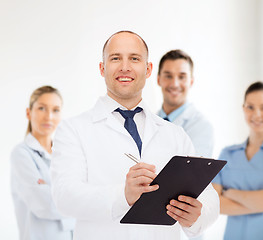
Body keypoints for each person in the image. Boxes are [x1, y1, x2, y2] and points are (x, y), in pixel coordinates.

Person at [50, 31, 219, 240]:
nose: (125, 67)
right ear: (102, 68)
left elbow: (210, 198)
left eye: (134, 58)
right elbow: (64, 197)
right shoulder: (73, 130)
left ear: (148, 69)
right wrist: (123, 195)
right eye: (115, 58)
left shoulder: (174, 134)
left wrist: (197, 215)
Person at [212, 81, 263, 240]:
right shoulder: (227, 154)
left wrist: (230, 193)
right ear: (243, 109)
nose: (257, 114)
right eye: (250, 107)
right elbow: (215, 204)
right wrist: (262, 203)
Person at [10, 86, 75, 240]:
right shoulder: (21, 154)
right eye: (42, 108)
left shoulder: (66, 154)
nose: (49, 117)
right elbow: (45, 204)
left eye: (56, 110)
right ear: (28, 112)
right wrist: (80, 201)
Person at [157, 49, 214, 158]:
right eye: (168, 76)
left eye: (182, 77)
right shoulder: (148, 121)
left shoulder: (202, 126)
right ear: (158, 79)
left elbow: (191, 173)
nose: (174, 84)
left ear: (191, 82)